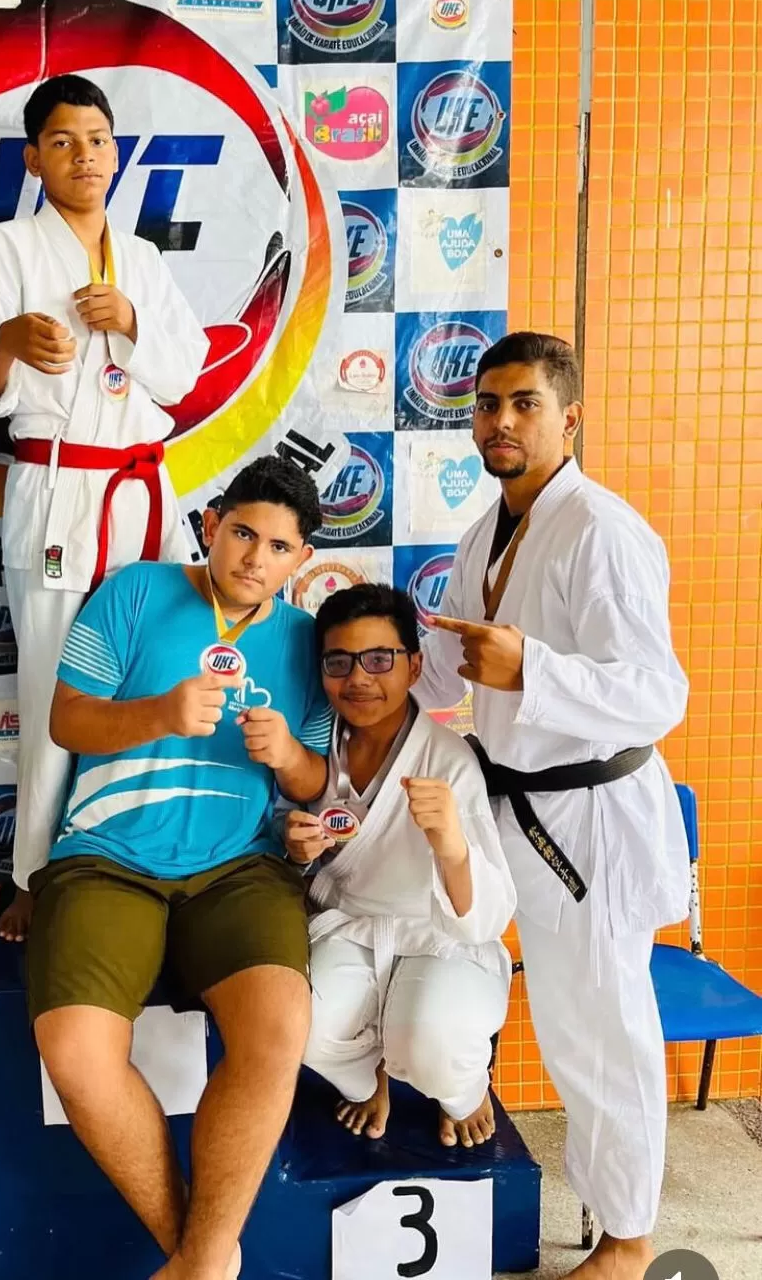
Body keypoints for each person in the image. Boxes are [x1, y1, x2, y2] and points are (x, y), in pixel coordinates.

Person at [415, 332, 689, 1280]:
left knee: (602, 1031)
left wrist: (531, 667)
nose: (500, 421)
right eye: (487, 404)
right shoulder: (485, 532)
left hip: (590, 820)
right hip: (517, 810)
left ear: (568, 418)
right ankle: (602, 1209)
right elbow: (443, 669)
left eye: (523, 403)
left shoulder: (600, 530)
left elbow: (656, 694)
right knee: (563, 1024)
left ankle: (628, 1239)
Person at [30, 456, 331, 1280]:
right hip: (106, 858)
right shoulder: (135, 591)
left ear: (301, 559)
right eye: (242, 533)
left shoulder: (306, 639)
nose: (255, 558)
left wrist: (290, 757)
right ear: (210, 526)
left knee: (278, 1031)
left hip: (240, 867)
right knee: (75, 1053)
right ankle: (198, 1259)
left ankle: (196, 1265)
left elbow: (315, 783)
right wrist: (159, 713)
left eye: (278, 547)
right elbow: (66, 722)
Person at [0, 73, 208, 942]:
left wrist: (131, 320)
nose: (82, 155)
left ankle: (142, 854)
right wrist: (7, 341)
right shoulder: (7, 248)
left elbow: (183, 374)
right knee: (54, 683)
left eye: (96, 139)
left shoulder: (144, 260)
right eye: (61, 141)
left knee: (154, 673)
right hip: (59, 488)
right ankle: (36, 873)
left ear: (115, 151)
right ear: (33, 158)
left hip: (141, 489)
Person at [286, 583, 516, 1146]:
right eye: (339, 662)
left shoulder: (449, 761)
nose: (358, 678)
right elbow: (294, 855)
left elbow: (487, 917)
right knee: (298, 1026)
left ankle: (465, 1092)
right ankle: (367, 1082)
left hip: (439, 934)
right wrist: (297, 850)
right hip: (351, 925)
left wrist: (451, 844)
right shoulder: (315, 748)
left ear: (414, 666)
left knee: (433, 1043)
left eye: (379, 659)